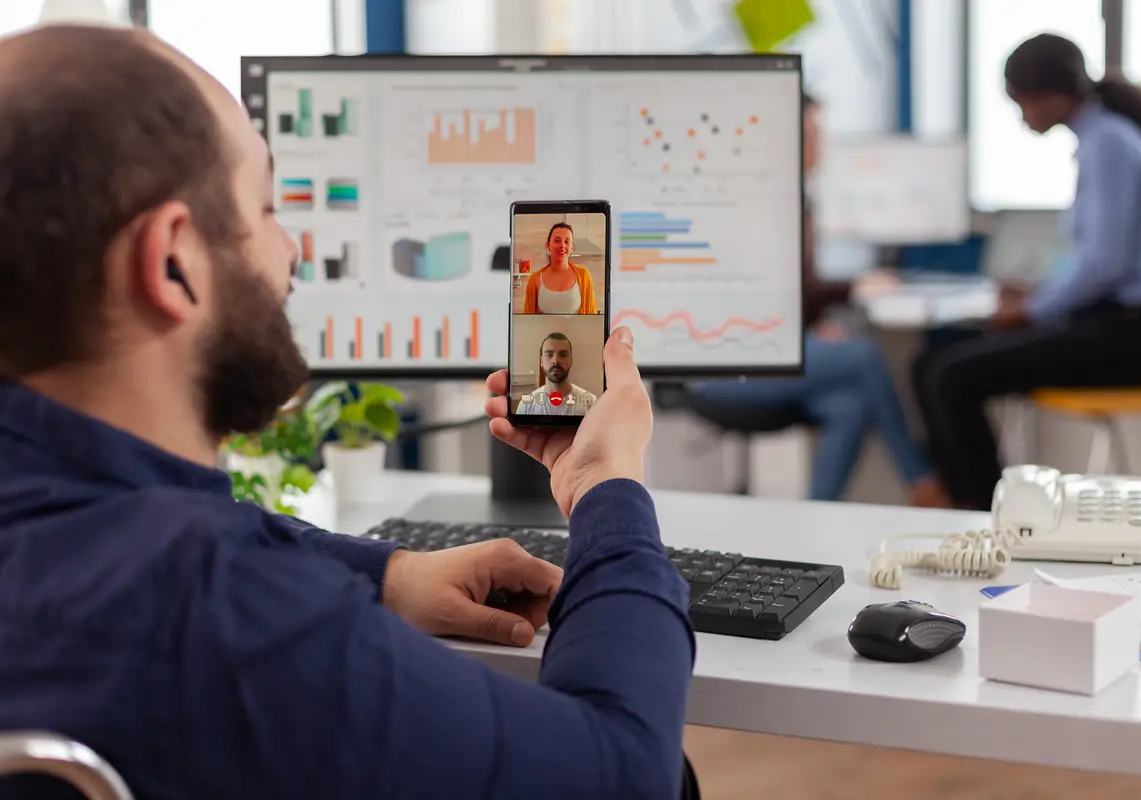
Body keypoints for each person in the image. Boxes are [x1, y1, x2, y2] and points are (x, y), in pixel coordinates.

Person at [0, 24, 694, 799]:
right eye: (264, 208)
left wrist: (386, 574)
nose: (292, 250)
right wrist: (608, 485)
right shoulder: (222, 614)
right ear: (172, 262)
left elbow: (146, 517)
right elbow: (628, 775)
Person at [912, 33, 1141, 511]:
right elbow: (1095, 259)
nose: (1022, 117)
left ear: (1051, 96)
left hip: (1136, 336)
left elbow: (1106, 263)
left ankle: (989, 517)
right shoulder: (1100, 138)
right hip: (1112, 321)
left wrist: (1033, 309)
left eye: (1021, 104)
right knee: (934, 354)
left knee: (951, 375)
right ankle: (958, 499)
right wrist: (1039, 293)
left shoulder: (1109, 145)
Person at [688, 93, 949, 506]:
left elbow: (787, 291)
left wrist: (815, 322)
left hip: (773, 351)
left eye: (819, 133)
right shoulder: (755, 203)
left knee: (849, 405)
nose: (819, 145)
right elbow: (756, 296)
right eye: (810, 134)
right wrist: (849, 291)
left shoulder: (796, 199)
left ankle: (816, 518)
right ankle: (922, 481)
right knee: (862, 357)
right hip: (729, 368)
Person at [515, 332, 599, 416]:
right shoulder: (527, 405)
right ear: (541, 362)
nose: (555, 361)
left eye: (563, 355)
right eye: (549, 355)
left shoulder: (591, 403)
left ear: (571, 361)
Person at [522, 222, 598, 314]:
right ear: (548, 246)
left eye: (567, 241)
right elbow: (528, 321)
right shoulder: (534, 279)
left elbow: (591, 317)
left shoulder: (583, 275)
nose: (562, 245)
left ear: (572, 248)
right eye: (557, 241)